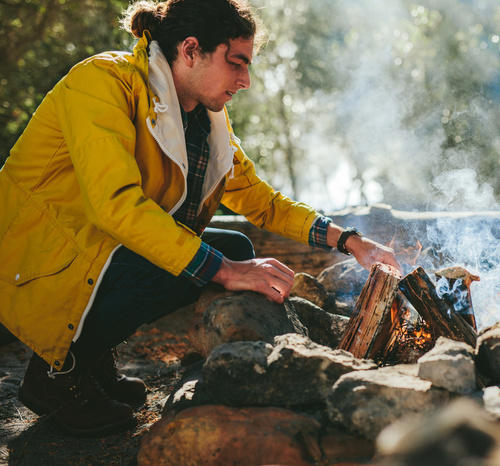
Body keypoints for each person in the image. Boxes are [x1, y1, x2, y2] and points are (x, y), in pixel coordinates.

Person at [0, 0, 400, 438]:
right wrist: (225, 271)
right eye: (236, 63)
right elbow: (114, 204)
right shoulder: (102, 82)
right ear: (190, 50)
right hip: (39, 258)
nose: (245, 80)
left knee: (236, 250)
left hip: (97, 250)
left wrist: (350, 241)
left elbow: (260, 199)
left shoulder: (204, 115)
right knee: (199, 264)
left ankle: (89, 354)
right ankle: (56, 372)